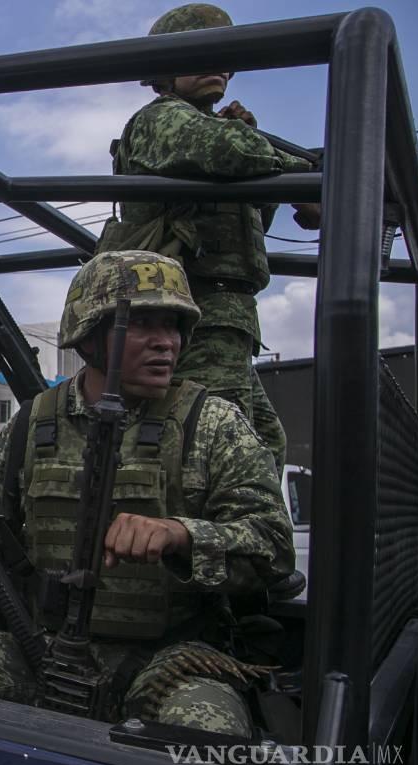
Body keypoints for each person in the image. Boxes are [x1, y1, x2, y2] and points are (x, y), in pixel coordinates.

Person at [0, 250, 295, 737]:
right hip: (40, 647)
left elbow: (272, 548)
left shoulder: (211, 423)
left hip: (170, 658)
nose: (165, 342)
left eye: (173, 326)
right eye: (143, 324)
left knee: (207, 741)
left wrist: (180, 535)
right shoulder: (32, 422)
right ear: (89, 337)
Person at [94, 3, 321, 472]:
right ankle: (199, 542)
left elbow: (252, 221)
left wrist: (274, 175)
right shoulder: (161, 119)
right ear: (165, 71)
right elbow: (229, 150)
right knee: (214, 455)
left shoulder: (215, 130)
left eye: (224, 57)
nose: (217, 66)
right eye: (201, 55)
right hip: (195, 313)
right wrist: (304, 174)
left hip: (223, 316)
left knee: (259, 444)